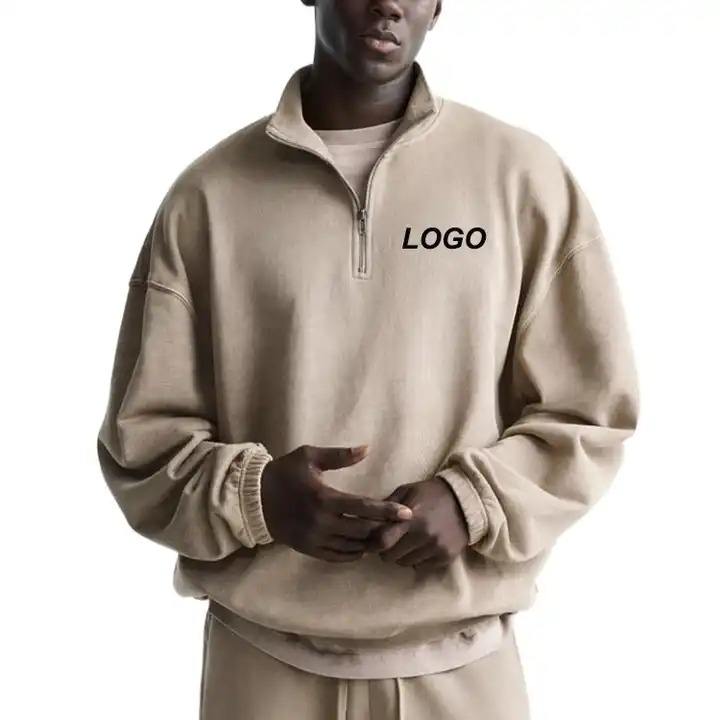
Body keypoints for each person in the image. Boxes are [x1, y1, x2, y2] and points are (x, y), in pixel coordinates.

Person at [96, 1, 640, 718]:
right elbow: (141, 445)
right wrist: (258, 498)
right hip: (261, 667)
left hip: (463, 666)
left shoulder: (522, 179)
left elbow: (591, 410)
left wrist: (476, 499)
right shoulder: (209, 197)